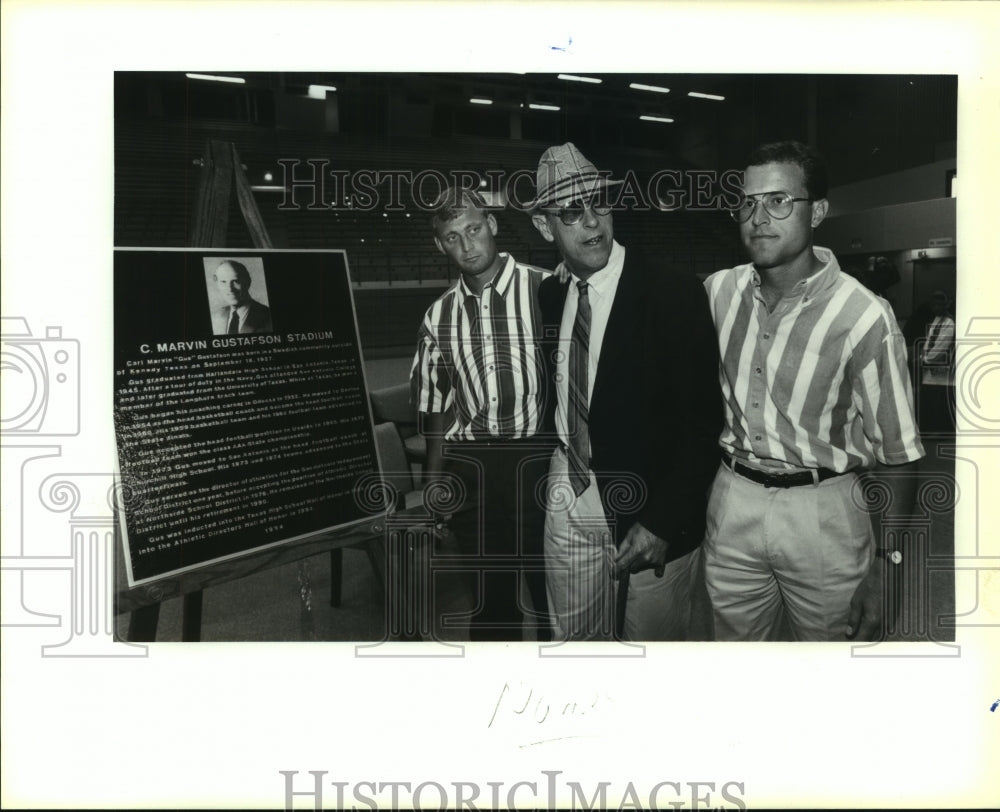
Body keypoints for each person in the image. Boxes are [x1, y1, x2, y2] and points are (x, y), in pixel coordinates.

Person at [702, 140, 925, 642]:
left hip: (823, 510)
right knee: (734, 664)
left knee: (831, 667)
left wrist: (887, 566)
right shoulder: (719, 290)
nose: (759, 216)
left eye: (779, 200)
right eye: (748, 202)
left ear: (818, 211)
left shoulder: (864, 315)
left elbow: (901, 454)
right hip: (733, 496)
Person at [529, 142, 722, 641]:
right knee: (573, 641)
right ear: (543, 226)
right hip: (566, 488)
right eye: (572, 211)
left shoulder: (673, 292)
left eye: (599, 203)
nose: (592, 222)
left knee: (651, 648)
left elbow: (703, 426)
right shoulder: (552, 295)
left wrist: (662, 520)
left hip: (650, 506)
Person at [410, 186, 553, 641]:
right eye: (453, 237)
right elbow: (434, 406)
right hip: (474, 468)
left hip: (542, 459)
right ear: (440, 246)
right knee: (491, 603)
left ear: (492, 225)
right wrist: (433, 482)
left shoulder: (547, 288)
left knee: (554, 593)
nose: (467, 244)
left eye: (474, 229)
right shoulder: (439, 316)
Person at [210, 259, 273, 335]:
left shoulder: (268, 316)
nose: (230, 289)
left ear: (247, 282)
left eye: (236, 281)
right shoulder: (215, 317)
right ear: (217, 284)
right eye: (223, 282)